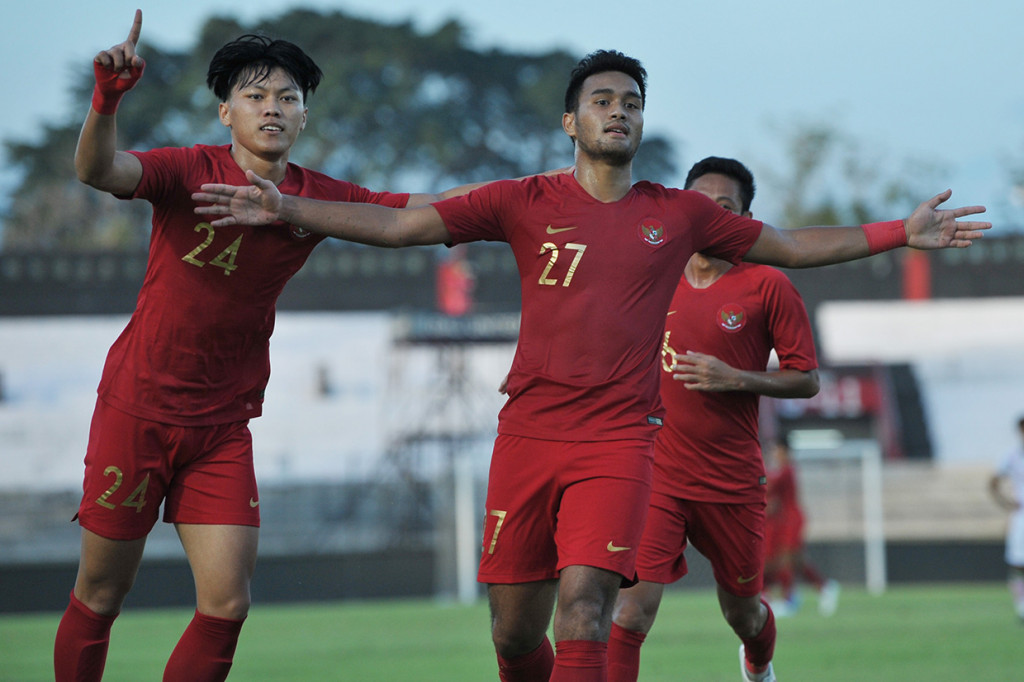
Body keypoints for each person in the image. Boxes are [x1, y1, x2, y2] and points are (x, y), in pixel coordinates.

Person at [193, 49, 990, 681]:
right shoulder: (521, 199)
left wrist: (898, 231)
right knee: (513, 638)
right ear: (570, 120)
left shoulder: (678, 214)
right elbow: (405, 227)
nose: (620, 111)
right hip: (528, 437)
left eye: (633, 103)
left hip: (621, 444)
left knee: (588, 613)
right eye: (604, 101)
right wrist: (286, 206)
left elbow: (790, 246)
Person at [54, 12, 498, 681]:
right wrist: (106, 100)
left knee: (228, 603)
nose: (273, 108)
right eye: (257, 97)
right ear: (226, 112)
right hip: (138, 408)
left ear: (304, 119)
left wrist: (533, 195)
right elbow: (98, 171)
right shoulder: (185, 170)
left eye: (288, 98)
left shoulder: (317, 196)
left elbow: (415, 210)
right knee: (102, 593)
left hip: (222, 424)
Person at [604, 156, 817, 682]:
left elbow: (806, 379)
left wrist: (738, 378)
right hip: (657, 476)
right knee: (629, 612)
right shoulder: (649, 277)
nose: (709, 215)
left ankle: (759, 663)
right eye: (700, 204)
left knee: (743, 613)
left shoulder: (767, 286)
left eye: (725, 208)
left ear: (744, 218)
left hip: (732, 480)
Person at [762, 435, 840, 618]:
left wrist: (754, 474)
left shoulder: (787, 470)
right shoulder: (781, 470)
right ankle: (824, 587)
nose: (775, 454)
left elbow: (768, 484)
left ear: (784, 451)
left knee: (787, 558)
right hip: (783, 520)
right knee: (794, 560)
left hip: (792, 519)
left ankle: (789, 600)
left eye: (777, 450)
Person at [988, 415, 1024, 622]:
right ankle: (1021, 607)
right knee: (1018, 563)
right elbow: (993, 482)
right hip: (1021, 515)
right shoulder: (1011, 456)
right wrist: (1006, 504)